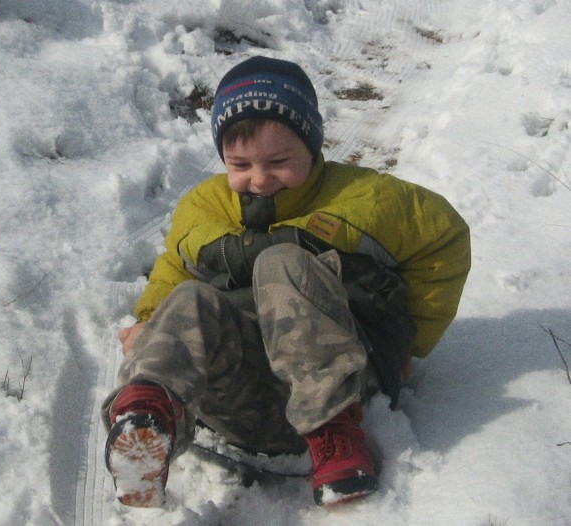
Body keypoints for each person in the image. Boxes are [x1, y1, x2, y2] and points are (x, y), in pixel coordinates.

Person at [101, 55, 471, 508]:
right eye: (240, 164)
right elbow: (174, 269)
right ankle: (148, 418)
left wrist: (411, 341)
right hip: (245, 399)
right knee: (191, 297)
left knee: (282, 263)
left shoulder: (365, 198)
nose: (259, 179)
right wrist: (147, 324)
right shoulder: (203, 207)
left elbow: (444, 240)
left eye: (279, 160)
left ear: (312, 147)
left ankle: (333, 431)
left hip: (346, 383)